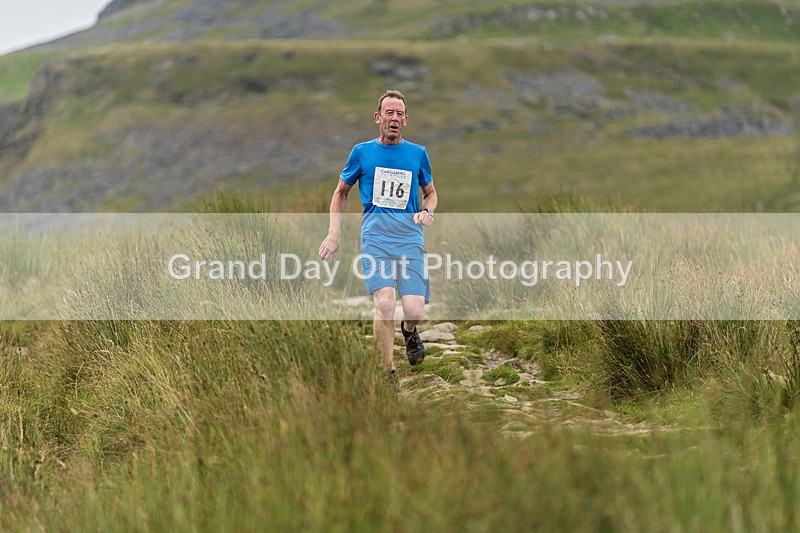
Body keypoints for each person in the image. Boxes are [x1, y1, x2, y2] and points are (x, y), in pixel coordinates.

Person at [319, 89, 438, 376]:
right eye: (389, 112)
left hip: (409, 239)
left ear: (405, 120)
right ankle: (387, 371)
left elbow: (431, 193)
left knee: (414, 311)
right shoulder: (362, 152)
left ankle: (409, 333)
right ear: (378, 117)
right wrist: (334, 233)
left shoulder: (417, 154)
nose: (394, 118)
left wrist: (428, 211)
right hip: (375, 239)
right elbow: (340, 192)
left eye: (399, 114)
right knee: (384, 303)